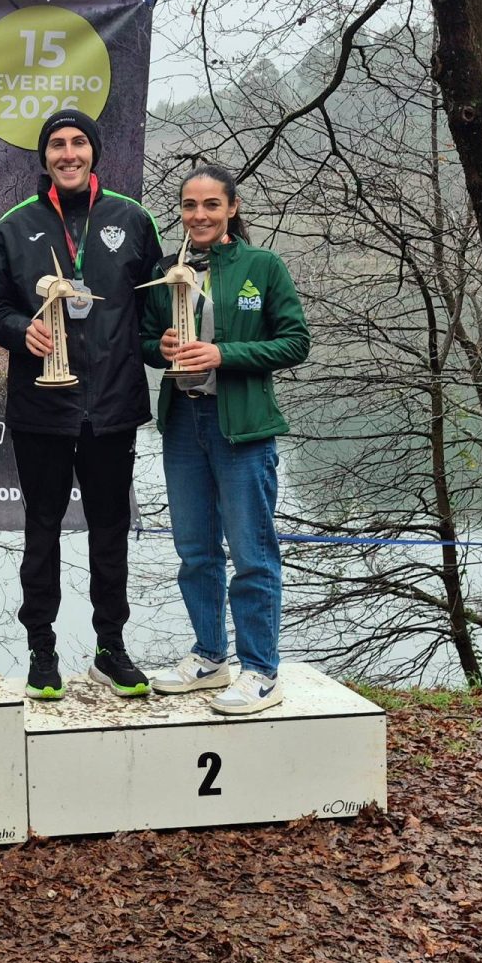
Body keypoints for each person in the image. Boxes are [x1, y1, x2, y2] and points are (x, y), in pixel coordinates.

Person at [0, 109, 162, 701]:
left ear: (94, 152)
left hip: (112, 405)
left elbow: (154, 309)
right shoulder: (14, 226)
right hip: (43, 407)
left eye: (78, 142)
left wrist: (169, 350)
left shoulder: (133, 220)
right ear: (44, 157)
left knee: (110, 530)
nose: (68, 153)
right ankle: (42, 650)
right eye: (57, 144)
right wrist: (20, 331)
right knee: (42, 529)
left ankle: (111, 647)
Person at [142, 165, 310, 715]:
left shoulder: (262, 266)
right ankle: (210, 657)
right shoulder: (166, 270)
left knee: (252, 554)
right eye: (190, 206)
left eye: (211, 204)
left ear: (232, 208)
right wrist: (160, 346)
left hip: (243, 428)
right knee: (195, 551)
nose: (200, 215)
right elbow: (143, 339)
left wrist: (223, 354)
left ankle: (261, 670)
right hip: (182, 424)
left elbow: (295, 342)